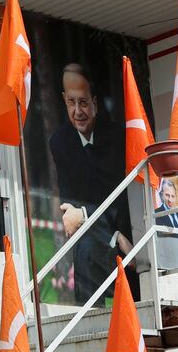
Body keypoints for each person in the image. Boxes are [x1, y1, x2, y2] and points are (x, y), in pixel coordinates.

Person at [48, 63, 138, 304]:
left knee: (132, 260)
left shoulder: (118, 136)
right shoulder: (59, 143)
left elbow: (123, 194)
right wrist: (87, 218)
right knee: (85, 249)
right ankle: (88, 313)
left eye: (84, 102)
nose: (78, 111)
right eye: (71, 102)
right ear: (64, 100)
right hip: (96, 233)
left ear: (95, 104)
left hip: (127, 228)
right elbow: (70, 212)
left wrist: (88, 216)